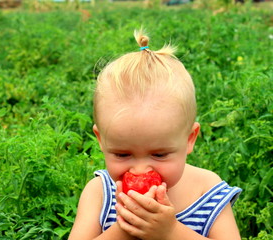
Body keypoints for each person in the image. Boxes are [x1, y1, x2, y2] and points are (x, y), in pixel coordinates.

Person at [69, 29, 242, 240]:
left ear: (190, 139)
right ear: (101, 141)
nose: (140, 169)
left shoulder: (206, 191)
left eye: (159, 155)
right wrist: (125, 227)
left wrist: (171, 232)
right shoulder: (99, 192)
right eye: (122, 155)